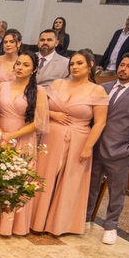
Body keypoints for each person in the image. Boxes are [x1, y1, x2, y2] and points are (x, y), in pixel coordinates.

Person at [0, 53, 49, 237]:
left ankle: (9, 225)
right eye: (18, 63)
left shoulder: (39, 91)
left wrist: (12, 136)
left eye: (26, 65)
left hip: (22, 139)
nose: (20, 67)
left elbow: (38, 122)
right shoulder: (2, 86)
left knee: (15, 182)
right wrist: (0, 133)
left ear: (34, 69)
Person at [32, 49, 109, 236]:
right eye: (72, 64)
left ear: (90, 65)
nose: (74, 67)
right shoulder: (58, 83)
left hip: (79, 139)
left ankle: (59, 225)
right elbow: (39, 107)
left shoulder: (97, 90)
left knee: (69, 181)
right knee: (43, 176)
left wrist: (88, 147)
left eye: (79, 63)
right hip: (51, 137)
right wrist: (53, 114)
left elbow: (100, 122)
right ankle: (35, 220)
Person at [86, 52, 129, 245]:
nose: (123, 69)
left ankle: (111, 226)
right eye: (122, 64)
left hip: (120, 149)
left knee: (116, 190)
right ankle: (86, 218)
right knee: (90, 185)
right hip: (96, 146)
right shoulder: (104, 87)